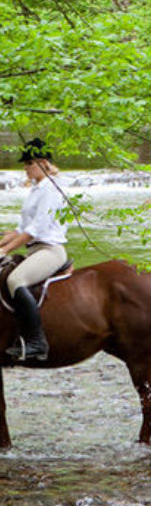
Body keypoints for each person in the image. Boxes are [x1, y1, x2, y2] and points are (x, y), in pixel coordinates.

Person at [0, 138, 69, 361]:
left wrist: (4, 250)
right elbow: (21, 229)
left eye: (29, 163)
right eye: (26, 164)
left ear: (42, 163)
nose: (25, 168)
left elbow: (35, 229)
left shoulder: (51, 189)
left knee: (15, 281)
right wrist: (3, 242)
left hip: (49, 250)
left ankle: (36, 342)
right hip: (35, 249)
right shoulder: (36, 189)